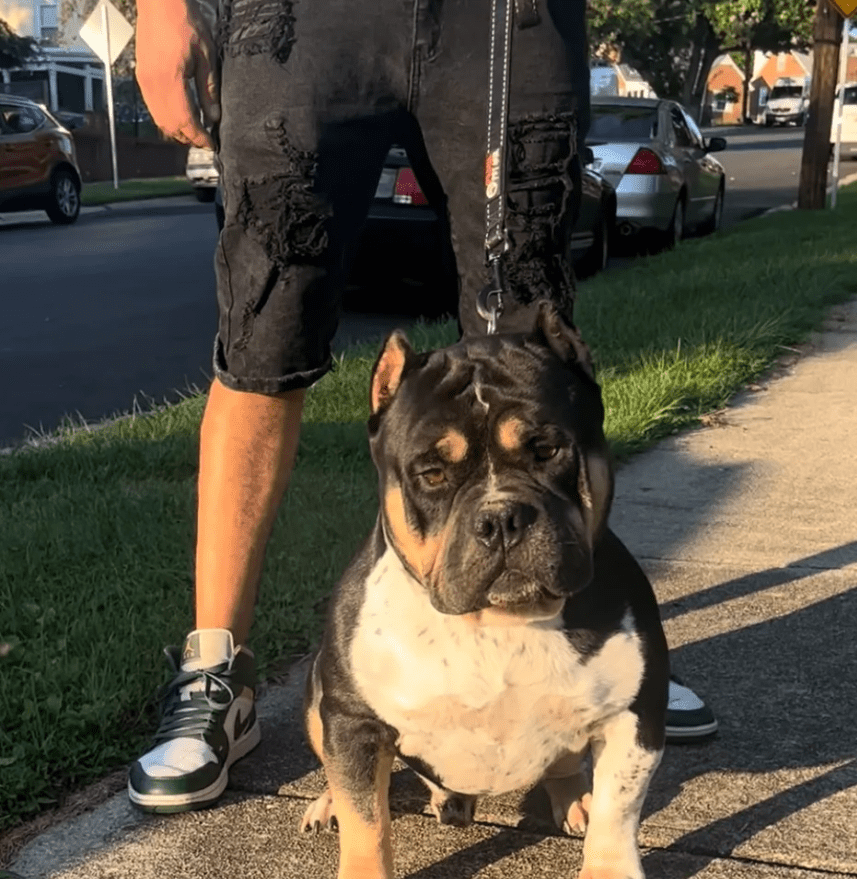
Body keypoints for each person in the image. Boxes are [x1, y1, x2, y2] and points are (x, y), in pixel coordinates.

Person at [127, 0, 715, 814]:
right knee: (264, 345)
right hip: (297, 19)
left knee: (529, 359)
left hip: (506, 18)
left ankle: (601, 660)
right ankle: (212, 672)